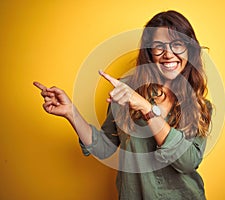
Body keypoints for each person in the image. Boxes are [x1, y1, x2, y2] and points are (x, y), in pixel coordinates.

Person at [34, 10, 212, 200]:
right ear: (150, 53)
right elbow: (104, 148)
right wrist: (71, 112)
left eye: (177, 45)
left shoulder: (199, 106)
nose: (168, 54)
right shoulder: (126, 93)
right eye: (159, 47)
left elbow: (187, 163)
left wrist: (146, 108)